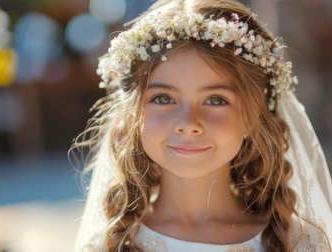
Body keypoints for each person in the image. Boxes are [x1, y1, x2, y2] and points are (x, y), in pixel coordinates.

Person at [72, 0, 332, 251]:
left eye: (215, 100)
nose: (188, 124)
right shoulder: (107, 246)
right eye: (163, 99)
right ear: (133, 113)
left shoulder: (299, 244)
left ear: (253, 116)